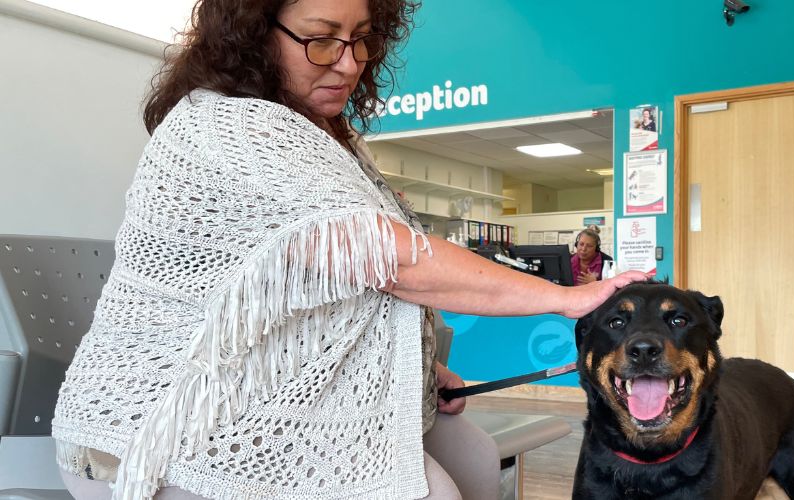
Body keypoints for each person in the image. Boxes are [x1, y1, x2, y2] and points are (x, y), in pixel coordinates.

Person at [49, 1, 645, 499]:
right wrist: (569, 298)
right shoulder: (230, 127)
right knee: (435, 490)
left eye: (360, 40)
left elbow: (323, 296)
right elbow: (394, 259)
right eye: (320, 41)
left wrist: (419, 372)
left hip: (263, 395)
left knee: (475, 457)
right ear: (252, 37)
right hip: (183, 421)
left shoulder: (322, 140)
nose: (349, 63)